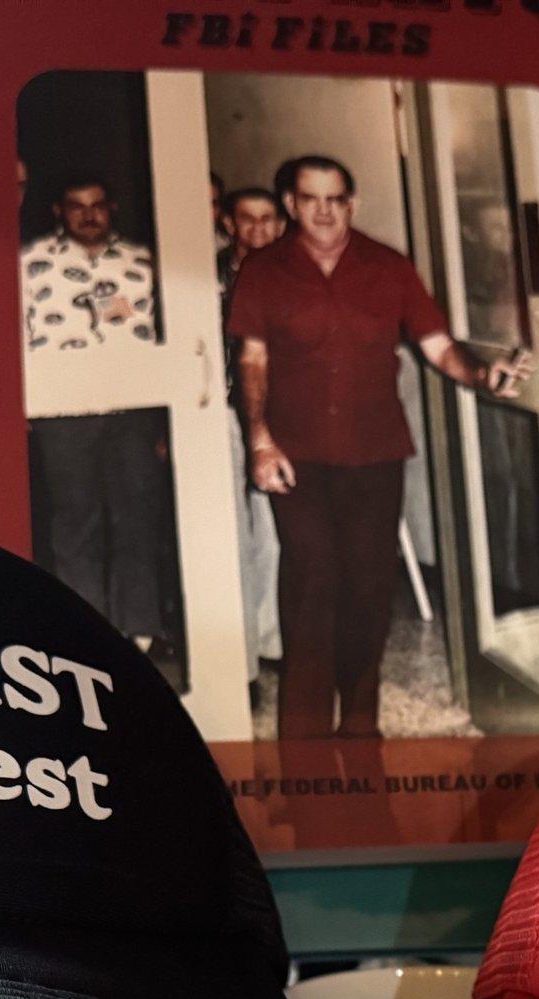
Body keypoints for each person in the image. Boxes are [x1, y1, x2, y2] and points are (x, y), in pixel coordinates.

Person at [227, 155, 531, 739]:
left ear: (351, 203)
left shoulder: (388, 266)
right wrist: (260, 442)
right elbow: (253, 359)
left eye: (334, 198)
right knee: (313, 581)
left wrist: (481, 375)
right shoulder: (264, 270)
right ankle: (304, 741)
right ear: (291, 204)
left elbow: (438, 345)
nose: (322, 211)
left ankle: (361, 723)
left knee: (369, 587)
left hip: (375, 449)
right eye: (309, 198)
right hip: (297, 452)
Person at [21, 175, 168, 651]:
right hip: (63, 414)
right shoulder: (31, 264)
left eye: (98, 205)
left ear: (113, 208)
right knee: (74, 523)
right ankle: (85, 636)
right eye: (76, 206)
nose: (89, 215)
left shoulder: (144, 264)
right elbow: (15, 340)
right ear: (59, 212)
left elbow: (163, 340)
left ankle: (139, 632)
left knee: (136, 517)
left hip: (131, 412)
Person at [220, 185, 288, 679]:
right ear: (230, 224)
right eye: (248, 220)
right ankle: (238, 659)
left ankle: (272, 640)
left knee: (274, 532)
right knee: (233, 536)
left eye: (268, 220)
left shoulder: (294, 275)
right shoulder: (211, 276)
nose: (259, 230)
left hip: (279, 416)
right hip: (222, 412)